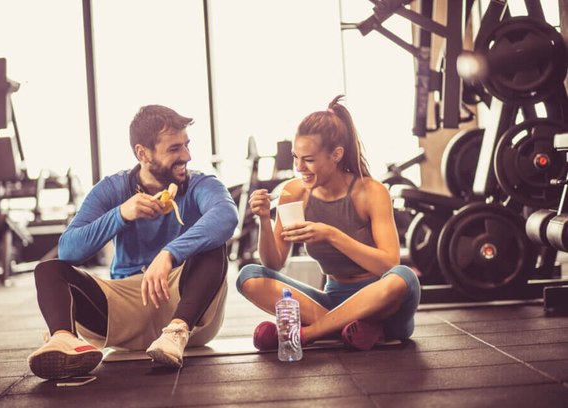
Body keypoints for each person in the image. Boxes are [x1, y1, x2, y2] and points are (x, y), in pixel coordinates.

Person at [27, 104, 238, 379]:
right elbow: (68, 249)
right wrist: (121, 214)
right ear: (143, 153)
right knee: (49, 270)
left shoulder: (200, 184)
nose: (186, 155)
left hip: (187, 312)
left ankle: (175, 333)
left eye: (186, 145)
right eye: (174, 149)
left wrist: (169, 254)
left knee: (213, 244)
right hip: (125, 309)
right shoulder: (113, 189)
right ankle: (65, 340)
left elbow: (227, 216)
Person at [236, 95, 420, 352]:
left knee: (404, 277)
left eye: (308, 159)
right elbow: (274, 262)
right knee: (249, 276)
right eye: (295, 157)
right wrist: (265, 220)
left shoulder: (370, 192)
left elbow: (389, 264)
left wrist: (332, 235)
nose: (300, 167)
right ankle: (349, 329)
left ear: (336, 155)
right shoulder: (294, 192)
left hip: (383, 303)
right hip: (333, 298)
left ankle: (309, 333)